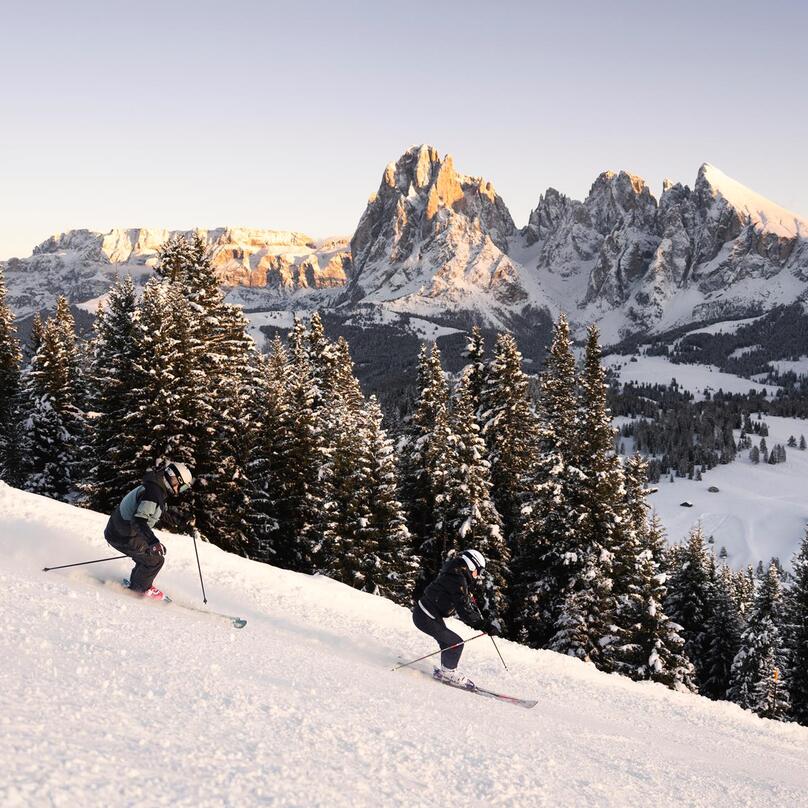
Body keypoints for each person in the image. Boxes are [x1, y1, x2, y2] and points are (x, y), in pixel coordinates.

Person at [104, 461, 194, 600]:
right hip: (122, 534)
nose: (179, 491)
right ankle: (140, 590)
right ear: (175, 480)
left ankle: (137, 584)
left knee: (148, 556)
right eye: (181, 488)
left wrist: (183, 521)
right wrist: (153, 542)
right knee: (155, 560)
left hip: (119, 530)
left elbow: (160, 511)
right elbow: (138, 521)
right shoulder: (153, 493)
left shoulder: (156, 487)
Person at [412, 548, 499, 689]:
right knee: (456, 643)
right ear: (471, 565)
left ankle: (446, 671)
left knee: (449, 643)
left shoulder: (454, 574)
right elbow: (464, 610)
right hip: (425, 615)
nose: (478, 575)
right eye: (478, 571)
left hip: (425, 613)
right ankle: (449, 673)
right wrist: (484, 625)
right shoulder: (457, 579)